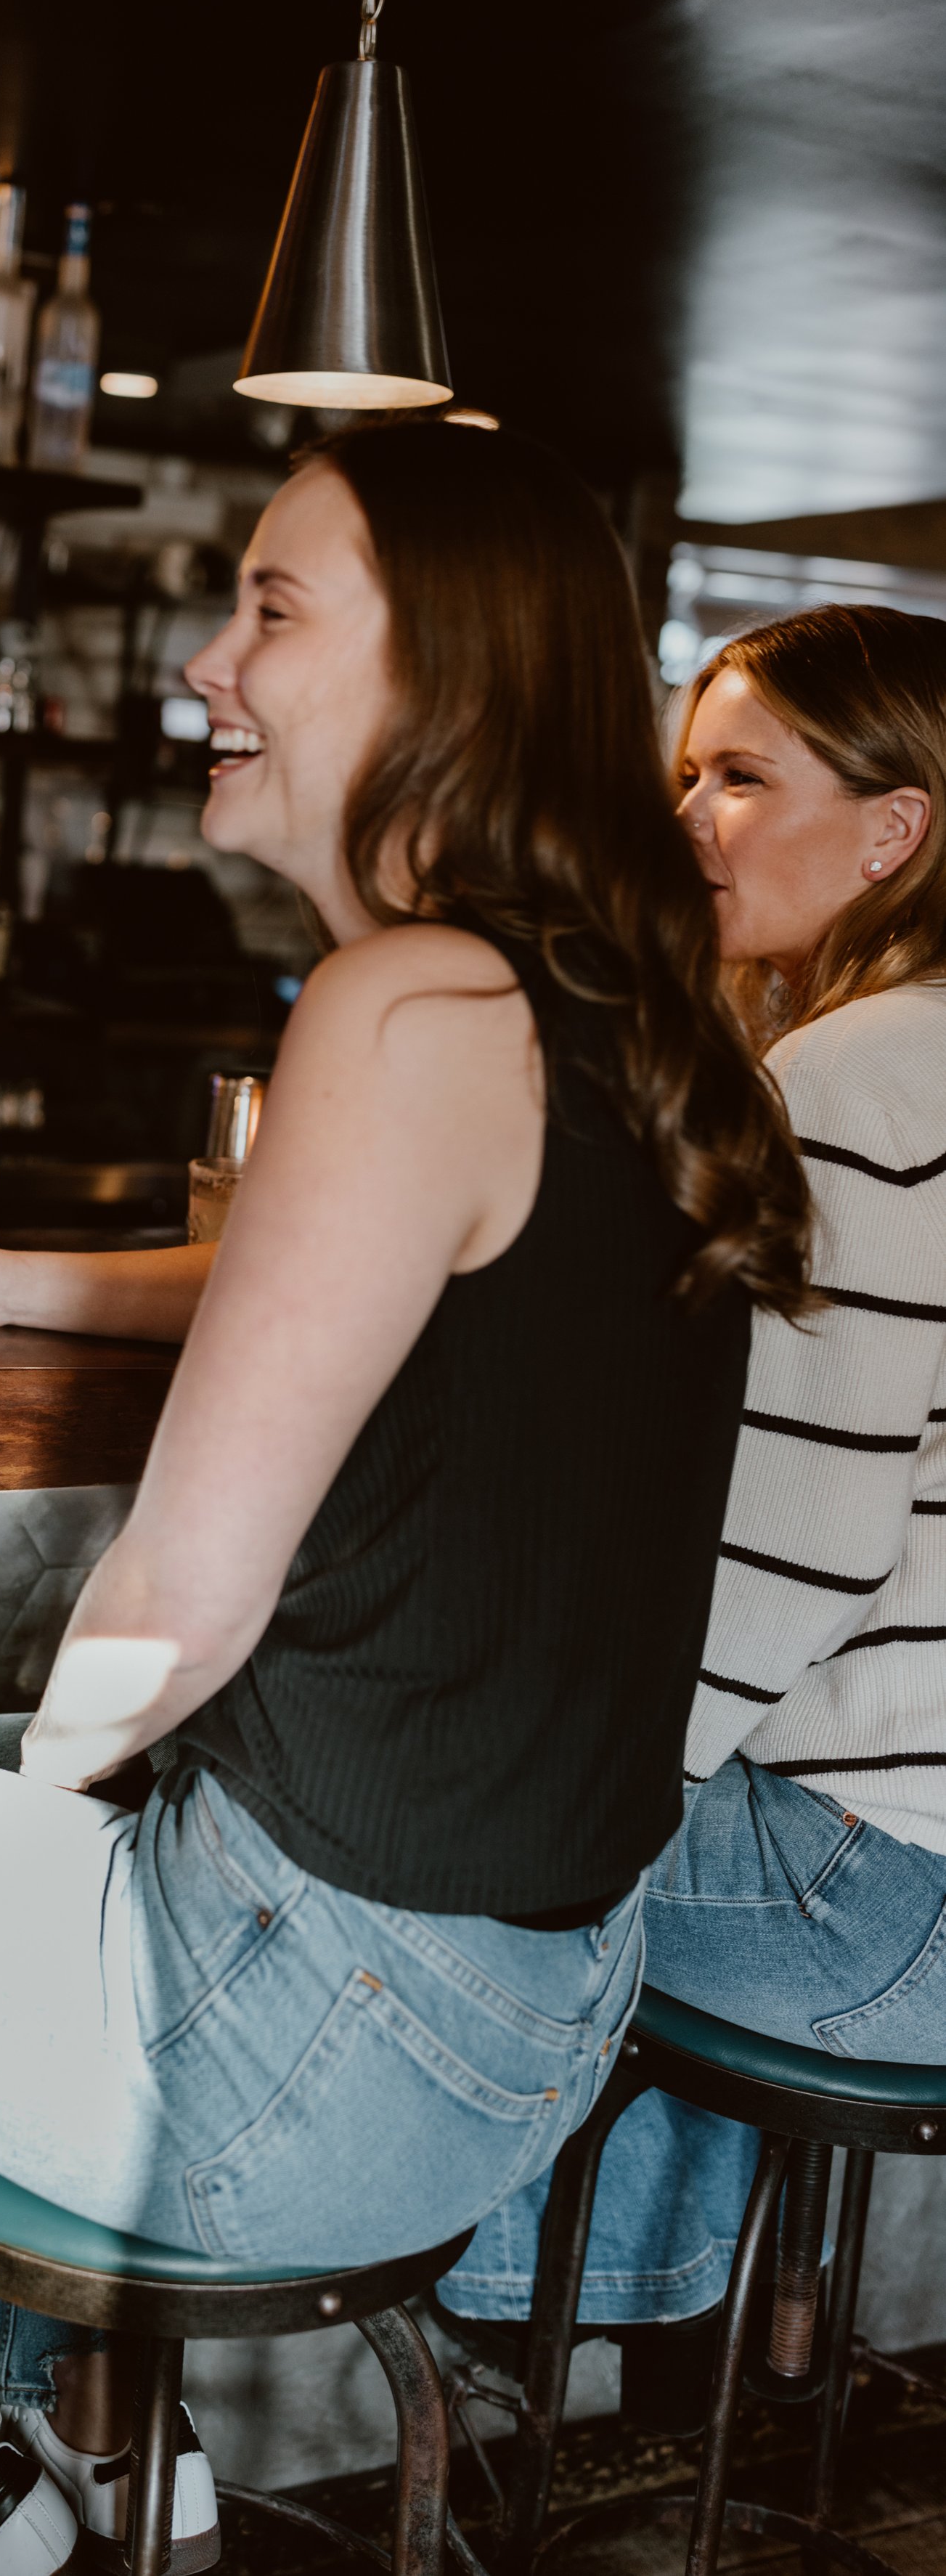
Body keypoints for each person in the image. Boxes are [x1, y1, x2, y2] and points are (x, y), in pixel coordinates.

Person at [0, 417, 810, 2576]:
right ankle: (59, 2445)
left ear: (447, 676)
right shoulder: (610, 1020)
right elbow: (376, 1274)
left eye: (269, 606)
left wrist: (23, 1808)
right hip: (531, 2031)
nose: (203, 660)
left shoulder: (399, 1004)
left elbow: (177, 1594)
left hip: (295, 2041)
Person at [436, 602, 946, 2401]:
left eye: (739, 775)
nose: (687, 820)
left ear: (893, 828)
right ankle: (657, 2330)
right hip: (917, 1882)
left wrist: (572, 1794)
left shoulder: (859, 1078)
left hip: (886, 1905)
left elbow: (802, 1544)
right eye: (680, 774)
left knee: (432, 1833)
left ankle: (505, 2342)